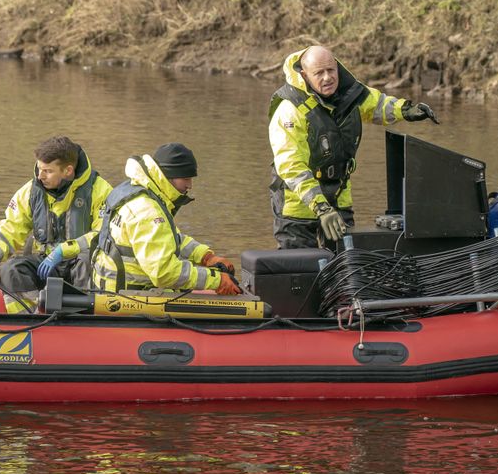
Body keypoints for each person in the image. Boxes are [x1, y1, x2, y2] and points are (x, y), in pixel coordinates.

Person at [268, 45, 439, 249]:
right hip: (298, 206)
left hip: (338, 197)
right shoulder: (289, 111)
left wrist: (407, 110)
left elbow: (376, 105)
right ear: (304, 75)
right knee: (300, 269)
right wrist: (321, 208)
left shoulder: (350, 93)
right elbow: (292, 166)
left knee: (347, 265)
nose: (327, 78)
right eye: (319, 73)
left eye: (331, 70)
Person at [0, 136, 113, 313]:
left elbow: (103, 234)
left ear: (68, 170)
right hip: (46, 265)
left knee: (86, 261)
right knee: (12, 268)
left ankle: (84, 321)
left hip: (81, 265)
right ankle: (29, 321)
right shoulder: (30, 192)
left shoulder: (101, 191)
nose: (40, 176)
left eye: (48, 171)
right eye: (39, 169)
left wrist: (63, 251)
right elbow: (10, 230)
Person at [90, 143, 241, 295]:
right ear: (168, 176)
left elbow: (168, 237)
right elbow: (164, 273)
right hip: (128, 296)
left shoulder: (140, 191)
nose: (190, 185)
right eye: (186, 178)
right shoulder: (147, 211)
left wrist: (205, 256)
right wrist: (216, 280)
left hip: (115, 288)